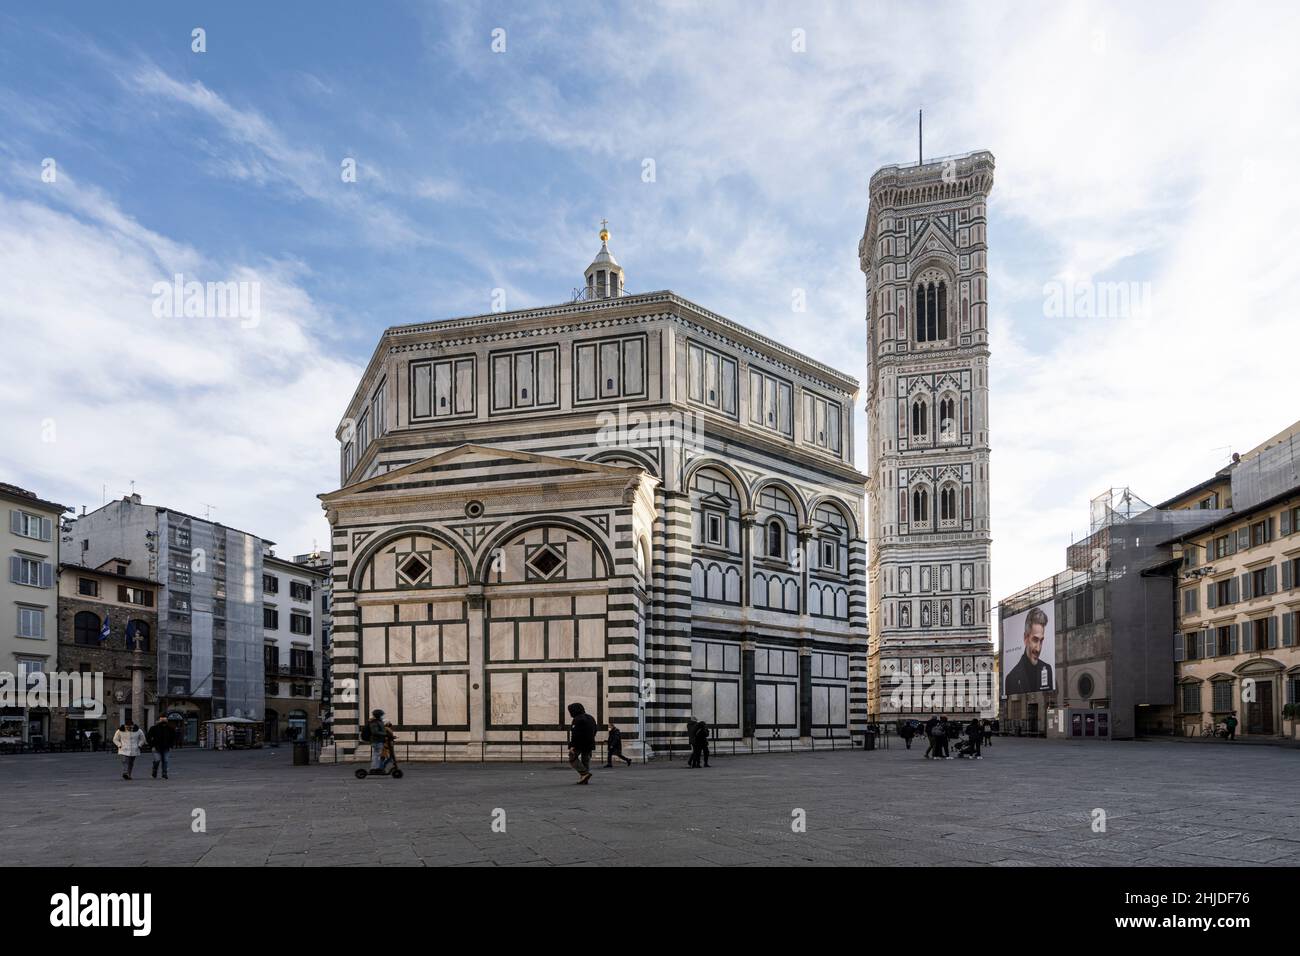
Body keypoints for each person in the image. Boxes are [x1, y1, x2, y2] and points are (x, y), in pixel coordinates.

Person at [1004, 607, 1054, 695]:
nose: (1038, 649)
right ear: (1025, 638)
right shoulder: (1011, 678)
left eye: (1041, 640)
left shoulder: (1047, 669)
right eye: (1035, 640)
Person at [568, 702, 596, 783]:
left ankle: (584, 774)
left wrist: (572, 746)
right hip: (590, 742)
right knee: (585, 760)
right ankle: (584, 779)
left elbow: (575, 734)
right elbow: (595, 730)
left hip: (579, 743)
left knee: (572, 758)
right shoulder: (591, 717)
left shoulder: (577, 719)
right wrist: (591, 738)